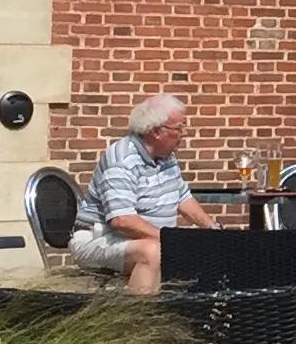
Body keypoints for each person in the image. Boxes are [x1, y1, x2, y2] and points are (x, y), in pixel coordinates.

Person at [72, 93, 216, 294]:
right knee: (151, 253)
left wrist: (213, 230)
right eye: (179, 128)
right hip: (98, 238)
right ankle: (139, 321)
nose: (184, 133)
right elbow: (122, 220)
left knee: (208, 250)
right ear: (157, 132)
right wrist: (173, 241)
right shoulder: (123, 160)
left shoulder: (167, 157)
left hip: (152, 239)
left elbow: (183, 198)